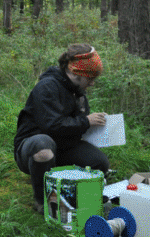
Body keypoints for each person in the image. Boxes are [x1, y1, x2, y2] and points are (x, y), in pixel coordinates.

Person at [13, 44, 109, 213]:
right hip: (33, 146)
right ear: (76, 72)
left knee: (99, 162)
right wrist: (86, 121)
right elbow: (51, 126)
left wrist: (95, 124)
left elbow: (74, 124)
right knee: (43, 146)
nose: (93, 83)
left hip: (62, 147)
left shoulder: (77, 91)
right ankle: (43, 201)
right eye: (90, 77)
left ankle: (70, 193)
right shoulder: (47, 87)